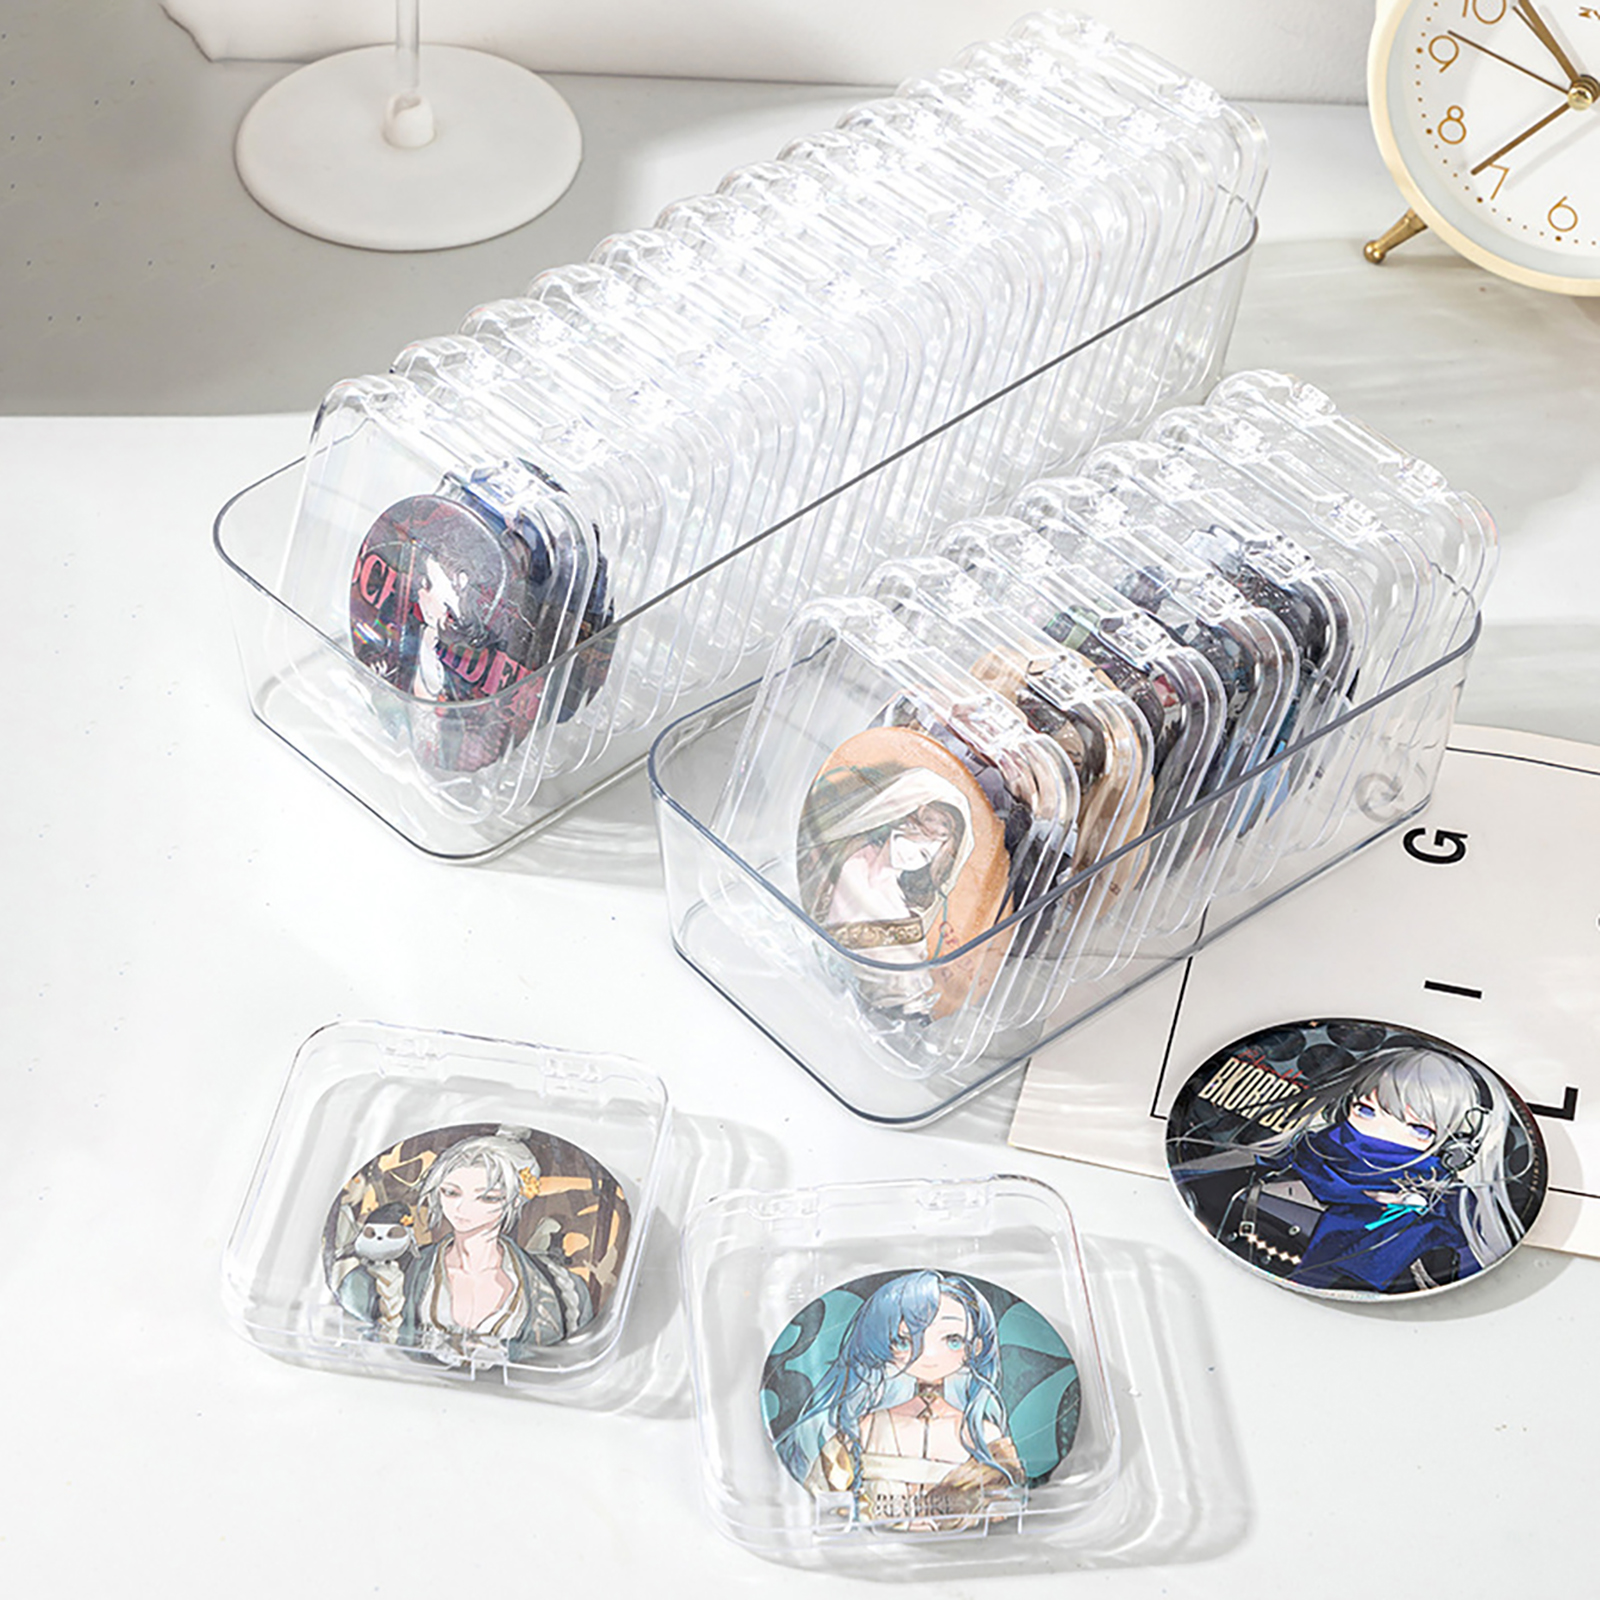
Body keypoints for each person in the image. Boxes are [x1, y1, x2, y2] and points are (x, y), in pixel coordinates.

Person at [1185, 1045, 1529, 1293]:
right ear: (1344, 1108)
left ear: (1455, 1148)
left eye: (1418, 1129)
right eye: (1366, 1111)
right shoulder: (1285, 1156)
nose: (1376, 1134)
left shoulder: (1443, 1221)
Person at [775, 1271, 1023, 1530]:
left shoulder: (986, 1436)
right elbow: (822, 1498)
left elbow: (1004, 1509)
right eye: (905, 1341)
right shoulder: (864, 1430)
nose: (928, 1354)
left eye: (952, 1340)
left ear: (976, 1346)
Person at [798, 763, 976, 1019]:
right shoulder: (851, 862)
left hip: (861, 1011)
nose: (917, 854)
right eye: (921, 833)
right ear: (902, 820)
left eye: (928, 853)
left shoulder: (902, 904)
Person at [399, 1131, 593, 1365]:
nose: (462, 1208)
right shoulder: (405, 1270)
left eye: (488, 1197)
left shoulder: (564, 1288)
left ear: (516, 1200)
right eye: (451, 1192)